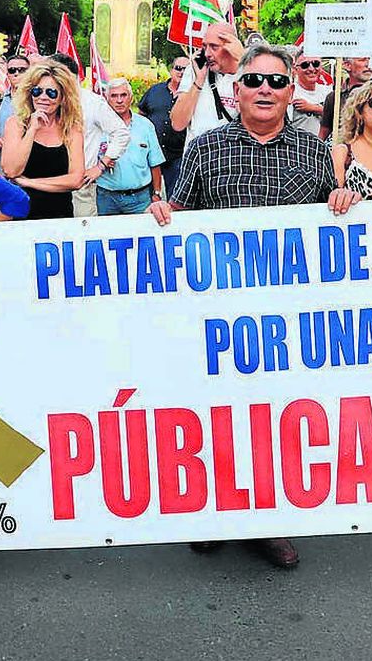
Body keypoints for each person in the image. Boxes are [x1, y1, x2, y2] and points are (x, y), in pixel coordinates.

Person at [149, 42, 360, 570]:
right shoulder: (205, 148)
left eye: (277, 81)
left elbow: (329, 229)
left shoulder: (315, 152)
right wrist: (160, 212)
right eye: (255, 81)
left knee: (275, 417)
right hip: (215, 311)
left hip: (285, 317)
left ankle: (268, 517)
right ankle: (214, 512)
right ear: (236, 89)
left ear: (292, 92)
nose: (265, 89)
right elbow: (179, 211)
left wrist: (342, 204)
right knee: (216, 415)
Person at [0, 63, 86, 221]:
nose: (43, 97)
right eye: (37, 91)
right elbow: (11, 170)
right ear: (29, 93)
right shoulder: (16, 124)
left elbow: (76, 179)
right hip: (21, 214)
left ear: (62, 98)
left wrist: (30, 183)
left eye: (52, 93)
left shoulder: (72, 128)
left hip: (60, 215)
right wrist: (32, 129)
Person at [49, 52, 129, 217]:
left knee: (82, 233)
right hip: (47, 182)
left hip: (81, 185)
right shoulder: (42, 100)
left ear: (73, 78)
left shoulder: (92, 103)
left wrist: (101, 166)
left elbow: (121, 133)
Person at [96, 78, 165, 215]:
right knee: (107, 235)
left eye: (123, 95)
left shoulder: (146, 125)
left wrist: (157, 193)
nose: (119, 100)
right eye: (114, 96)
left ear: (131, 98)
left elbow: (155, 163)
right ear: (107, 99)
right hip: (107, 198)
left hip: (140, 199)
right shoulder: (98, 126)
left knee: (142, 236)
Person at [170, 21, 243, 144]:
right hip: (198, 156)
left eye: (214, 47)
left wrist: (243, 59)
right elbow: (177, 123)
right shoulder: (194, 71)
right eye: (204, 46)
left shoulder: (247, 74)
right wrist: (199, 81)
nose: (207, 54)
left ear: (232, 47)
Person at [137, 56, 188, 196]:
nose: (181, 72)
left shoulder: (192, 95)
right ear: (171, 70)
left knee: (176, 197)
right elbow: (141, 115)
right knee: (150, 197)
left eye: (186, 69)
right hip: (152, 154)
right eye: (178, 68)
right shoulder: (154, 91)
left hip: (178, 155)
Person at [0, 52, 29, 168]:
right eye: (12, 70)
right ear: (7, 74)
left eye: (22, 70)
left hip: (29, 169)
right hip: (1, 168)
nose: (16, 73)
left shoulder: (37, 99)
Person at [318, 55, 372, 140]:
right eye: (362, 60)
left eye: (370, 60)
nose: (368, 64)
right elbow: (323, 134)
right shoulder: (334, 97)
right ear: (347, 65)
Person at [289, 51, 333, 136]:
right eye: (305, 65)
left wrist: (313, 108)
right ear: (295, 69)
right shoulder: (291, 92)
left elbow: (340, 117)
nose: (311, 69)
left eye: (316, 64)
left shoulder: (327, 91)